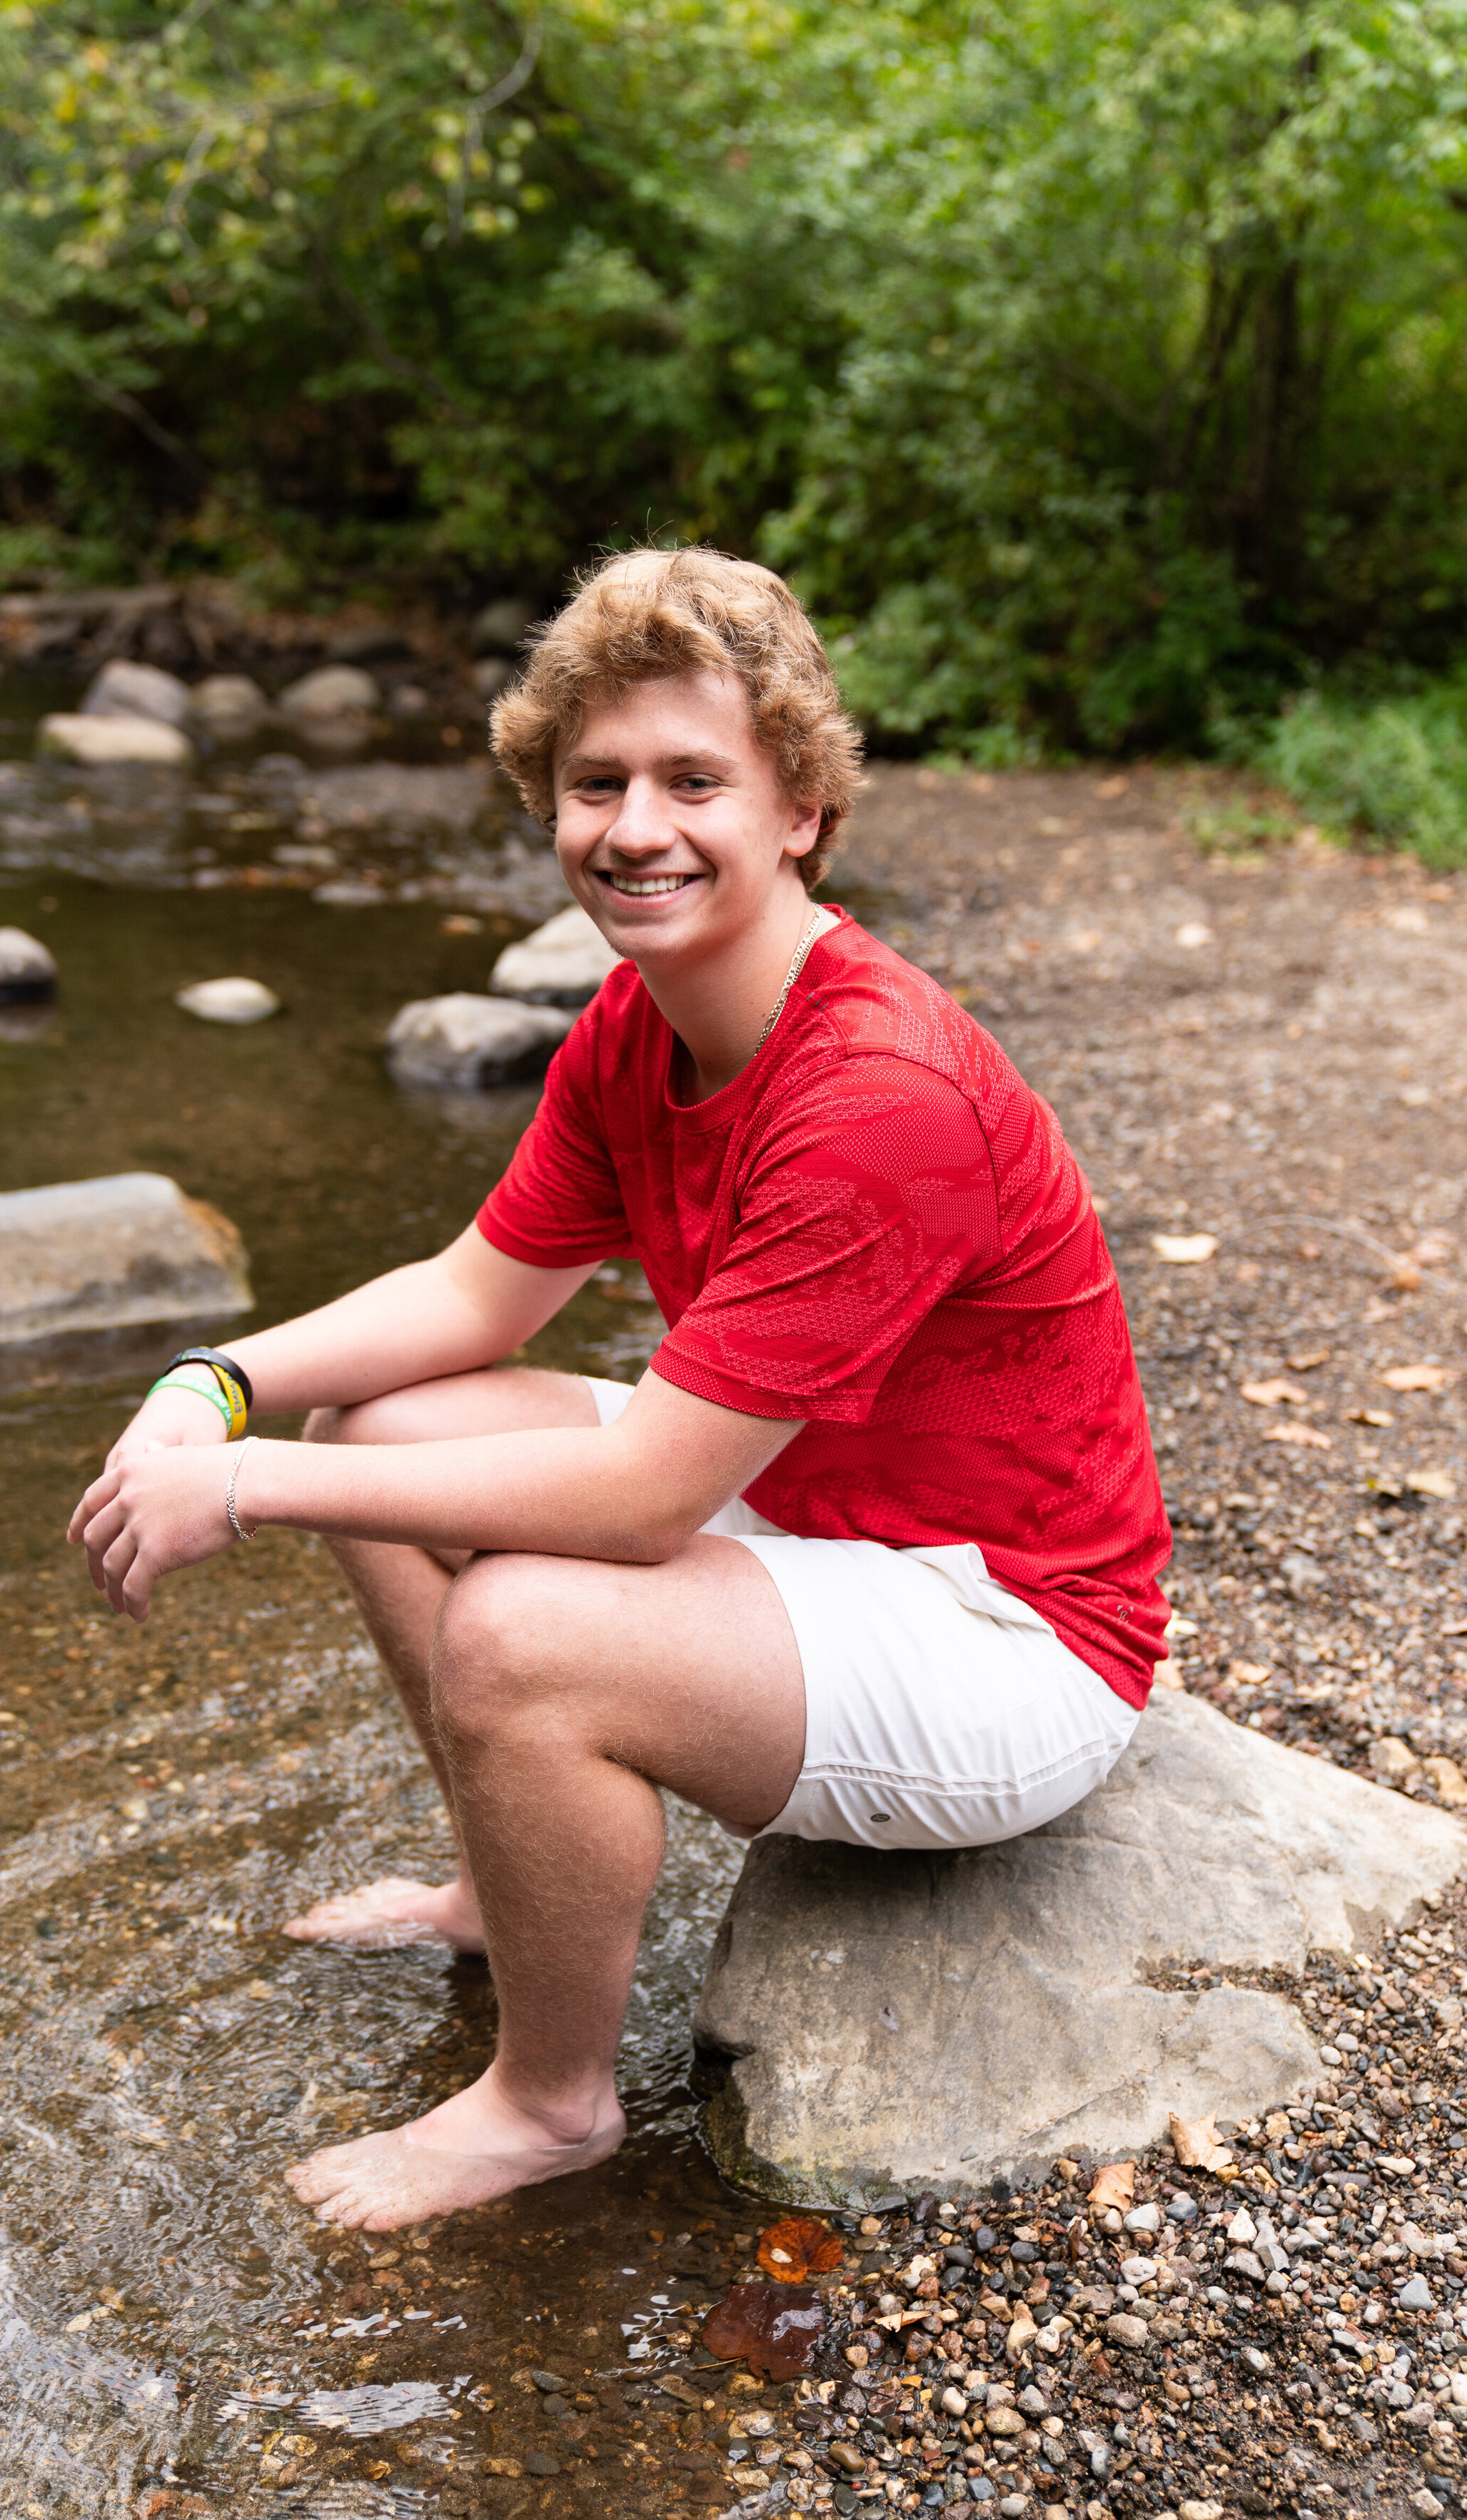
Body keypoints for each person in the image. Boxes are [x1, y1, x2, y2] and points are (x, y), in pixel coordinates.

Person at [68, 547, 1171, 2234]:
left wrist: (242, 1492)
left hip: (1007, 1629)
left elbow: (645, 1496)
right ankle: (508, 1886)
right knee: (377, 1424)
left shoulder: (878, 1087)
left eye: (691, 780)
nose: (633, 827)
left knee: (522, 1629)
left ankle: (550, 2101)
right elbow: (469, 1296)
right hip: (813, 1504)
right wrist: (213, 1388)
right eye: (596, 783)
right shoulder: (638, 1026)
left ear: (800, 807)